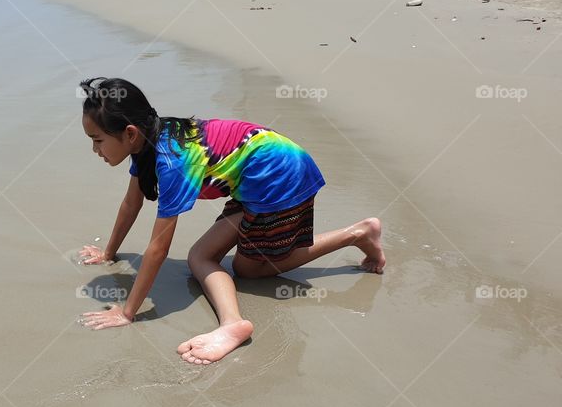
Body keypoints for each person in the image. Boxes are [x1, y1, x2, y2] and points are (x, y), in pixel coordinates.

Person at [76, 77, 385, 365]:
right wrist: (108, 253)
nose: (94, 150)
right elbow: (132, 202)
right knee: (200, 257)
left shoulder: (171, 161)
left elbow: (158, 248)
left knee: (248, 270)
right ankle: (234, 319)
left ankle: (356, 234)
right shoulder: (151, 139)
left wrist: (128, 313)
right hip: (258, 175)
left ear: (129, 133)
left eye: (98, 140)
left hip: (281, 178)